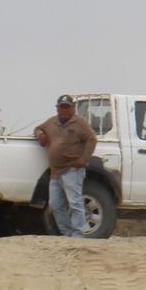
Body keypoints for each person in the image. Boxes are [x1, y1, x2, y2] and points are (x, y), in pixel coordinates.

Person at [36, 94, 99, 237]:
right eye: (61, 107)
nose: (64, 111)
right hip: (55, 171)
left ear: (73, 108)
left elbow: (91, 139)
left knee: (75, 202)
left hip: (72, 169)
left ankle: (79, 233)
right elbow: (38, 128)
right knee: (55, 205)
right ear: (57, 109)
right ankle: (67, 232)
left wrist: (84, 159)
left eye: (67, 107)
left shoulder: (80, 123)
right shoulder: (51, 122)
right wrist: (41, 135)